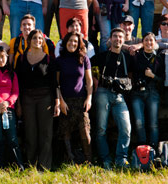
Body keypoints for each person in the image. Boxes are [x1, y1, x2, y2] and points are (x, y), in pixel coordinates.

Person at [15, 29, 58, 170]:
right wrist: (19, 104)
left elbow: (54, 83)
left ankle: (45, 166)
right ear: (29, 40)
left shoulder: (49, 59)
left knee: (46, 133)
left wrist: (56, 101)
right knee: (30, 133)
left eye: (40, 39)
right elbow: (18, 84)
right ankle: (31, 164)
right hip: (27, 98)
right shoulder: (21, 59)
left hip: (45, 98)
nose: (37, 41)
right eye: (35, 38)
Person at [91, 28, 132, 169]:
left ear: (124, 40)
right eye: (115, 36)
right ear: (110, 39)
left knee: (126, 128)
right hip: (103, 91)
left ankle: (121, 158)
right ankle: (106, 159)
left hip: (120, 95)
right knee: (101, 128)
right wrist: (95, 79)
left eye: (120, 37)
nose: (117, 39)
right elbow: (87, 64)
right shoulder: (102, 56)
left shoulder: (127, 57)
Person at [55, 32, 93, 163]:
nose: (72, 43)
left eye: (75, 41)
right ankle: (70, 160)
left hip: (81, 100)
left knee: (85, 132)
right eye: (70, 41)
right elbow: (56, 84)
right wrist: (61, 101)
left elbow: (89, 81)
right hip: (65, 101)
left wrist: (89, 98)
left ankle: (89, 161)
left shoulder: (84, 59)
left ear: (79, 44)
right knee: (66, 133)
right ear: (65, 43)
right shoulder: (59, 60)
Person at [130, 33, 160, 148]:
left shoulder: (158, 58)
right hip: (137, 92)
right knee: (139, 123)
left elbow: (162, 80)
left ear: (155, 42)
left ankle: (154, 149)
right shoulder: (136, 56)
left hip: (152, 91)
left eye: (151, 40)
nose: (148, 43)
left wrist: (153, 76)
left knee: (153, 124)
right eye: (146, 40)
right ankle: (142, 149)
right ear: (142, 43)